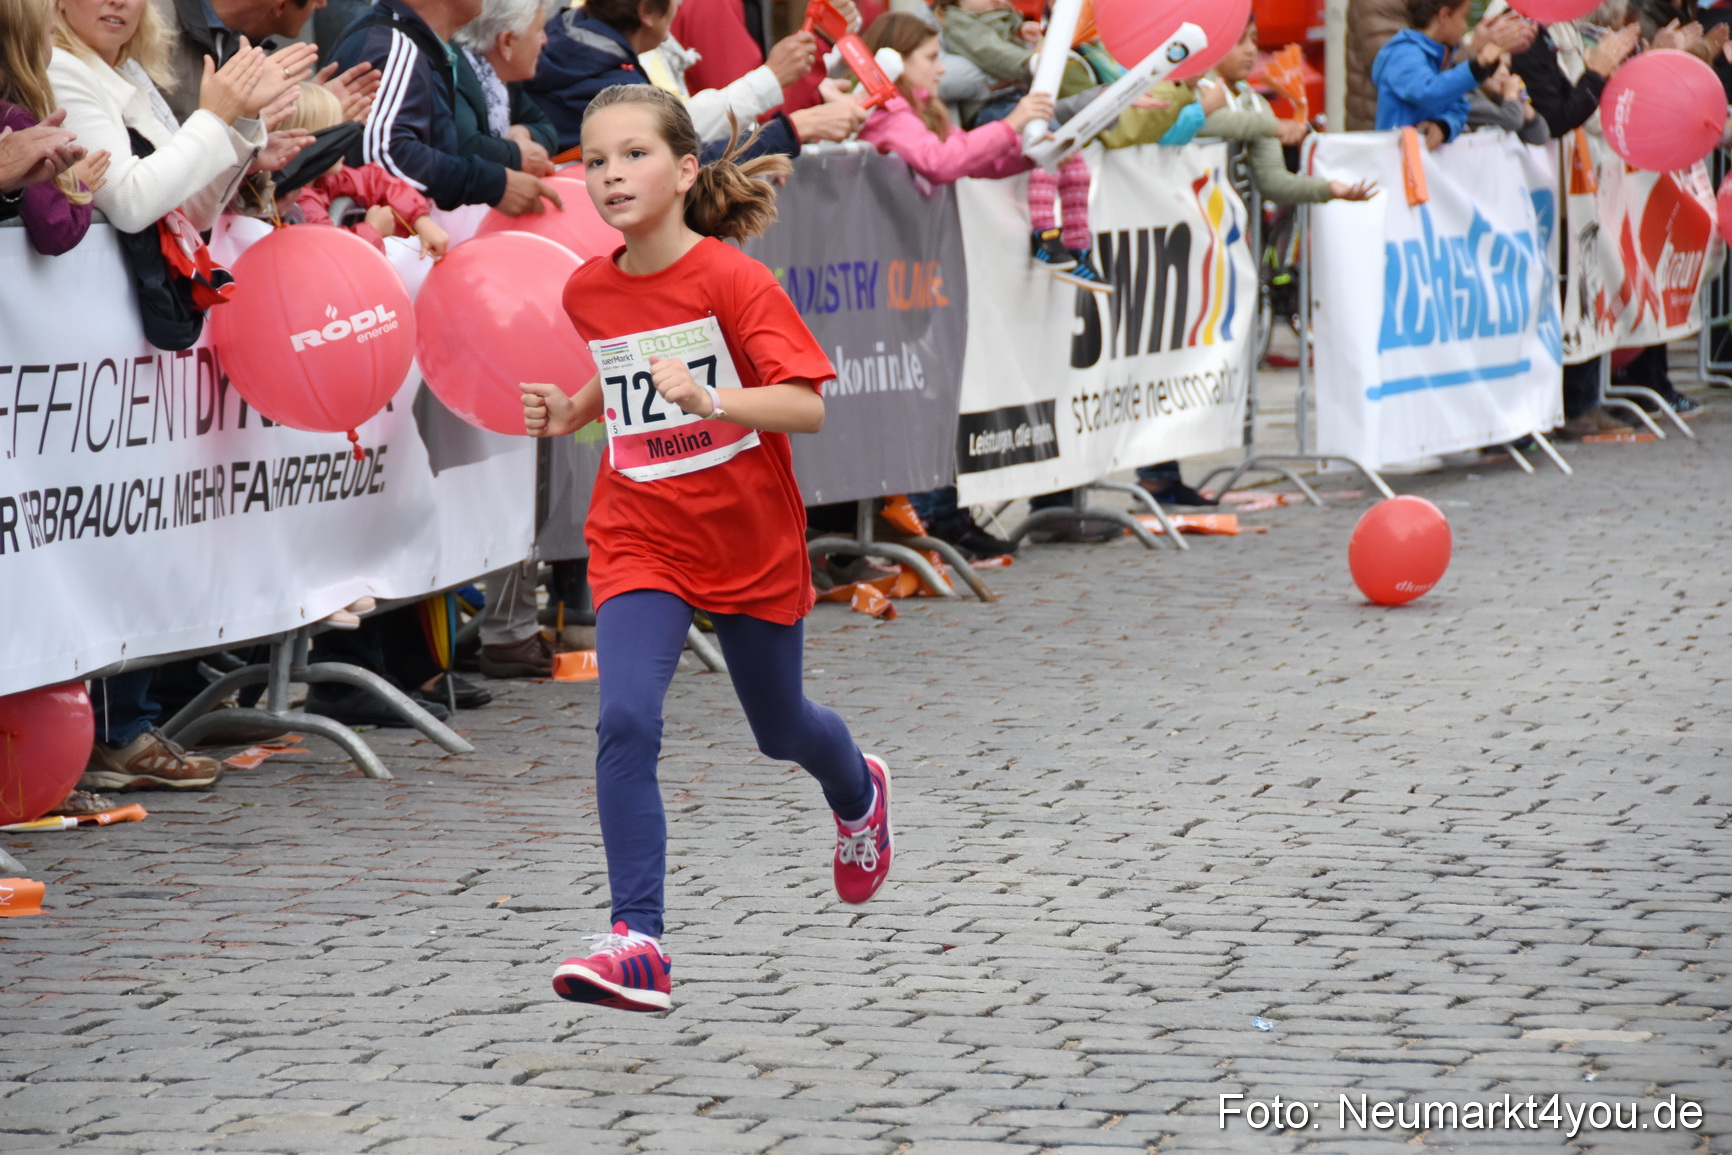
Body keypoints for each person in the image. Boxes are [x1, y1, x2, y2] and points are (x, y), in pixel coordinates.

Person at [520, 84, 893, 1012]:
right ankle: (637, 939)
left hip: (746, 537)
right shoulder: (587, 289)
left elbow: (805, 402)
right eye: (594, 159)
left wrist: (713, 401)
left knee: (780, 730)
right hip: (639, 533)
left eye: (633, 155)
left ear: (685, 171)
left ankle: (858, 789)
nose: (610, 174)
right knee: (626, 720)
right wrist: (577, 407)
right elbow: (626, 371)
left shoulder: (734, 279)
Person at [49, 0, 299, 236]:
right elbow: (131, 205)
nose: (118, 1)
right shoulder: (60, 67)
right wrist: (215, 116)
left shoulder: (131, 75)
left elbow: (193, 213)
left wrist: (241, 117)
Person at [526, 0, 861, 156]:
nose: (678, 7)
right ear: (646, 12)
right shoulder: (607, 81)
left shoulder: (569, 41)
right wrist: (793, 128)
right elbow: (683, 148)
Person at [931, 0, 1111, 291]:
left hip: (1022, 103)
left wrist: (1028, 39)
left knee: (1075, 167)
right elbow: (990, 52)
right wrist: (1029, 62)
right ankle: (1045, 235)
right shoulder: (958, 22)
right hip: (992, 109)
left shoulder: (1007, 19)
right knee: (1045, 152)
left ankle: (1079, 247)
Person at [330, 0, 563, 214]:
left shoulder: (410, 43)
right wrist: (493, 184)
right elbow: (384, 158)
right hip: (380, 244)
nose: (545, 39)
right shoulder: (394, 46)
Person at [281, 82, 449, 255]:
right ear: (307, 145)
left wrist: (421, 220)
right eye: (336, 134)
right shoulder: (299, 203)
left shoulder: (323, 179)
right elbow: (333, 257)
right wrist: (373, 230)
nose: (345, 141)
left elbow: (376, 180)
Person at [0, 0, 105, 255]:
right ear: (29, 44)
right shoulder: (15, 123)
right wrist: (78, 186)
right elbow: (57, 229)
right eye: (50, 34)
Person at [1371, 0, 1534, 148]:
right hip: (1395, 160)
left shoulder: (1439, 55)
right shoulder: (1404, 53)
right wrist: (1478, 64)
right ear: (1444, 15)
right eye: (1463, 17)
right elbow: (1429, 92)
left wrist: (1443, 126)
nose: (1464, 26)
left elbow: (1460, 107)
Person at [451, 0, 559, 177]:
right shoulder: (456, 72)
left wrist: (523, 132)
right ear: (506, 41)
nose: (545, 40)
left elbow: (548, 130)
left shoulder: (500, 79)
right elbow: (465, 146)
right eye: (539, 30)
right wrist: (518, 155)